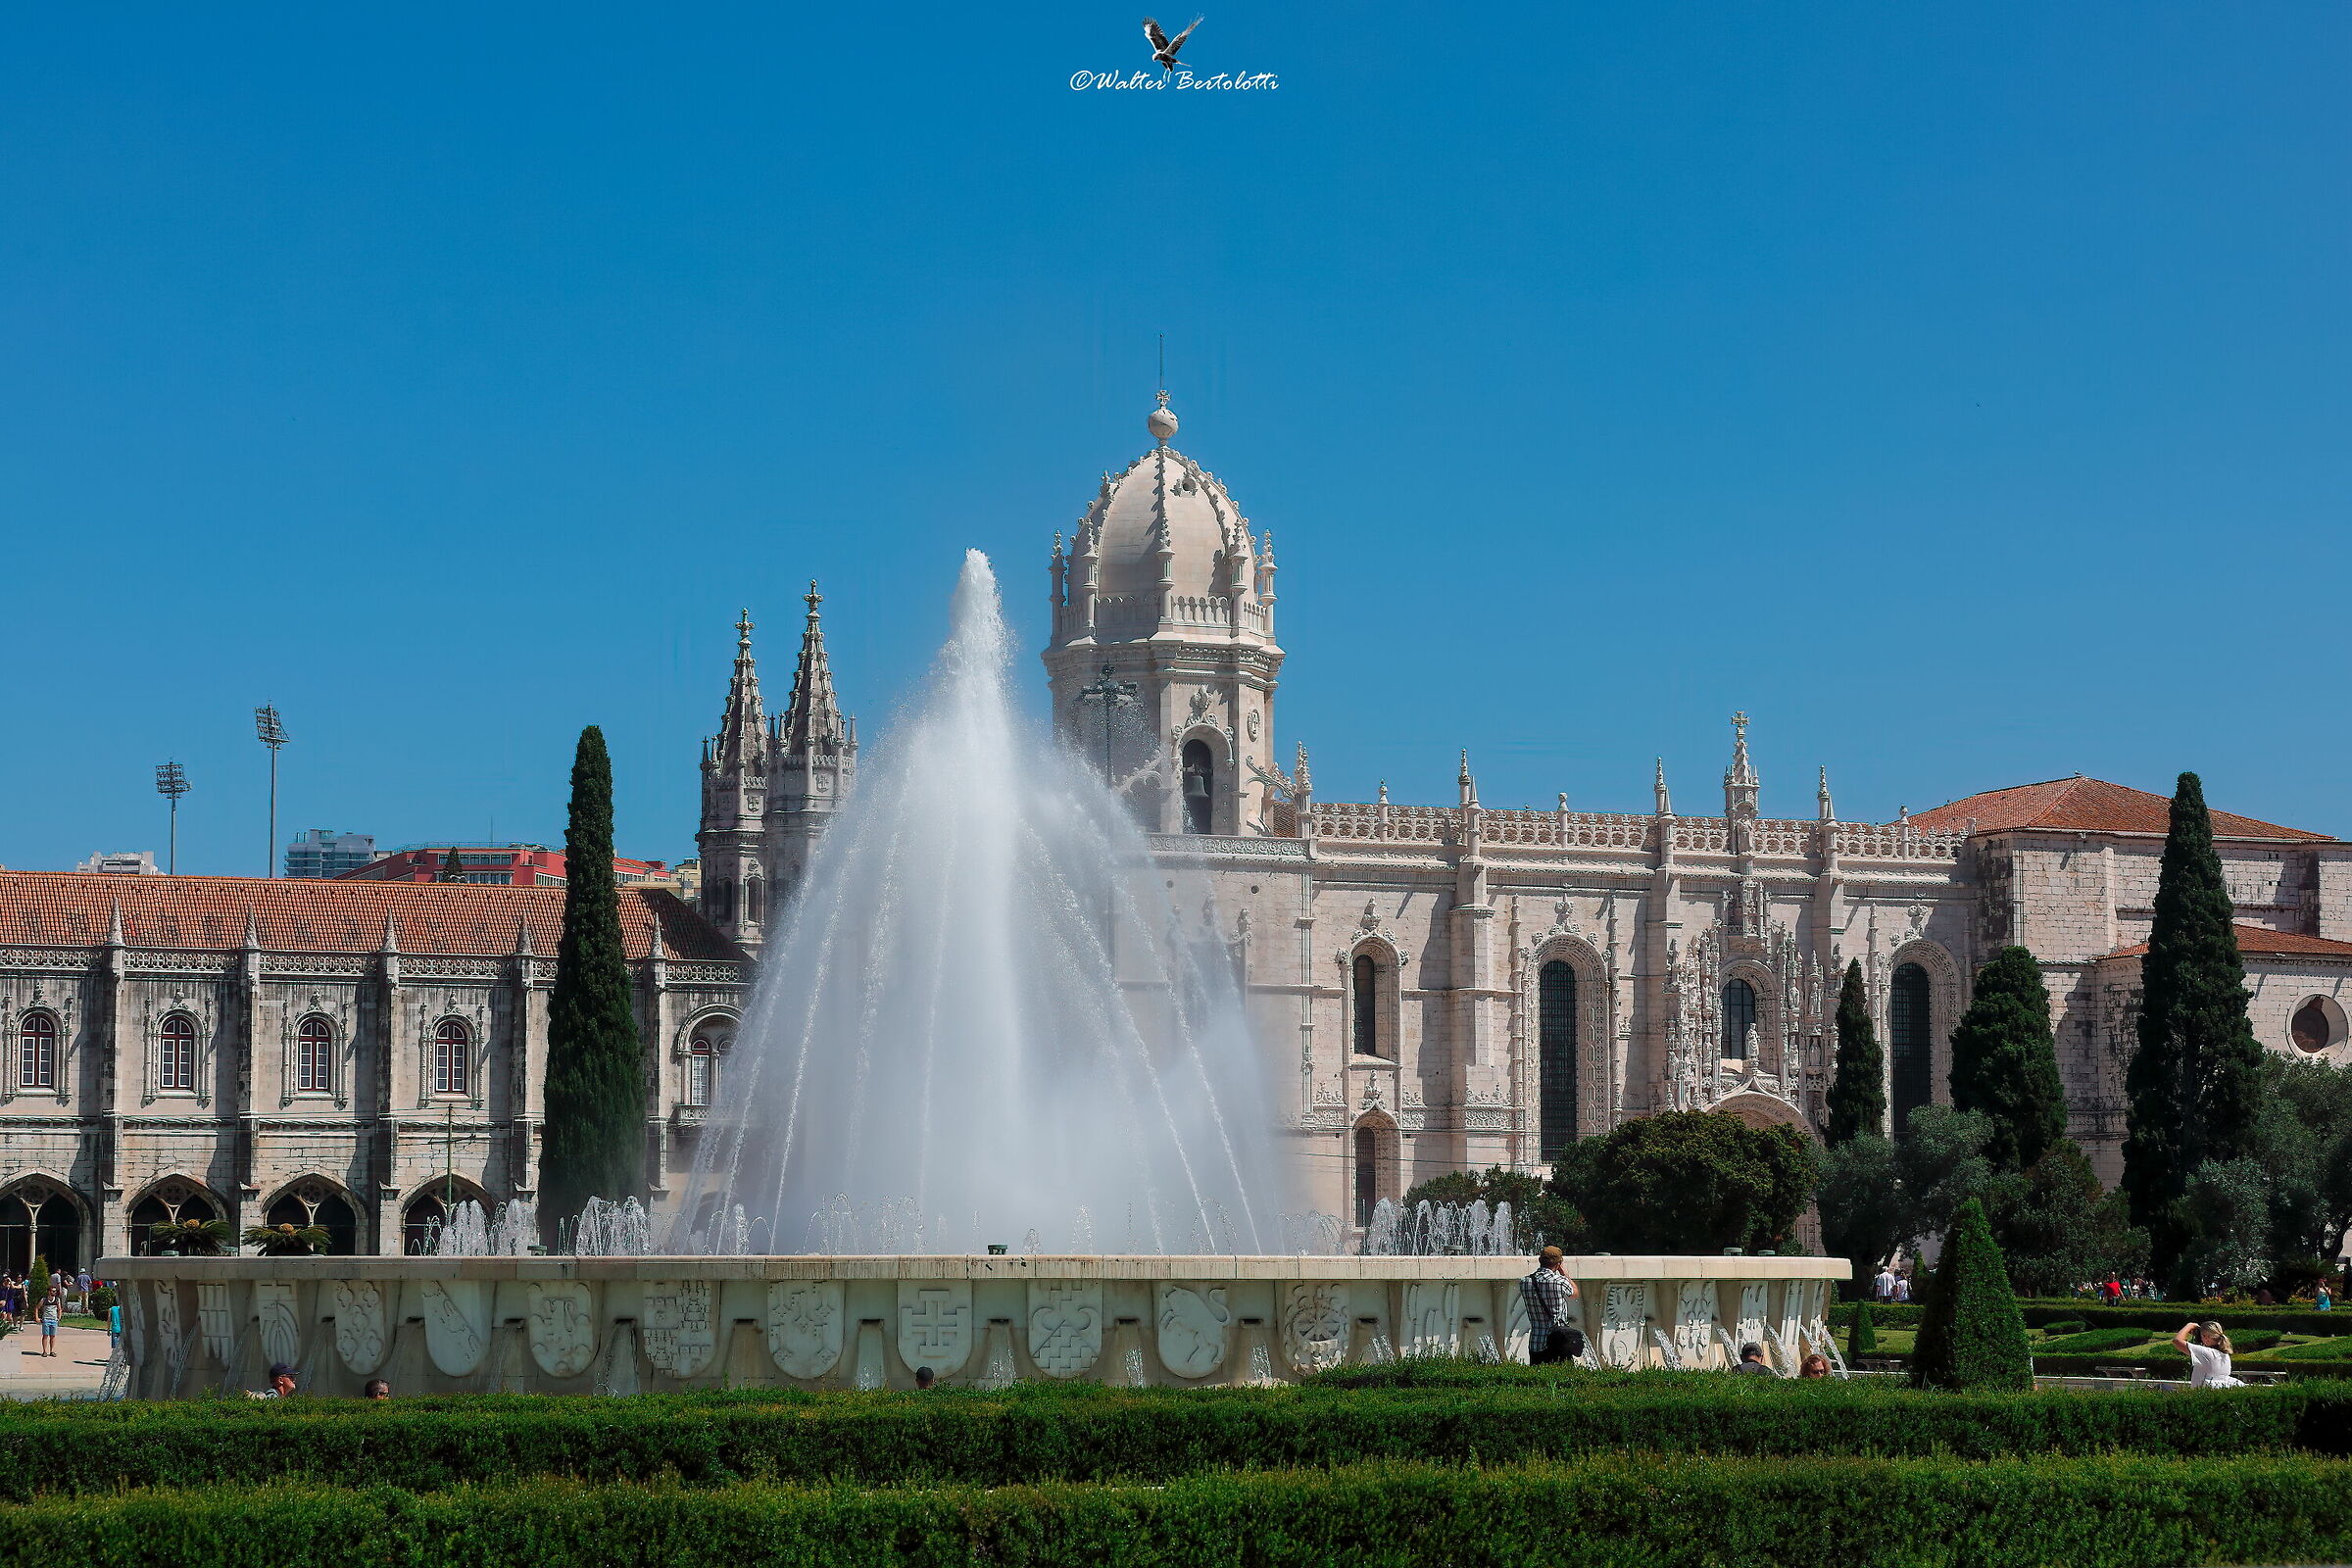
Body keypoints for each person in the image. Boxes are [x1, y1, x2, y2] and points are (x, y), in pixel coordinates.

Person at [1520, 1246, 1583, 1365]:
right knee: (1561, 1379)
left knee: (1538, 1379)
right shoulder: (1560, 1281)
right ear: (1559, 1264)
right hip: (1558, 1341)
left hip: (1536, 1342)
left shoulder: (1524, 1282)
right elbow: (1575, 1293)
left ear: (1540, 1261)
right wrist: (1565, 1274)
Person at [2175, 1321, 2243, 1389]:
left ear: (2206, 1337)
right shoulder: (2225, 1355)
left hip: (2201, 1394)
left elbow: (2177, 1341)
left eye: (2201, 1336)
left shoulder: (2205, 1352)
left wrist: (2190, 1325)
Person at [36, 1292, 58, 1358]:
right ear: (49, 1292)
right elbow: (37, 1307)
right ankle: (44, 1351)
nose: (54, 1292)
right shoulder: (44, 1299)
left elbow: (60, 1309)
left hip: (54, 1320)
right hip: (46, 1320)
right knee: (45, 1336)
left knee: (53, 1336)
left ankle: (52, 1351)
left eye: (55, 1291)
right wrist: (37, 1318)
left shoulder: (57, 1300)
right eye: (53, 1291)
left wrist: (59, 1317)